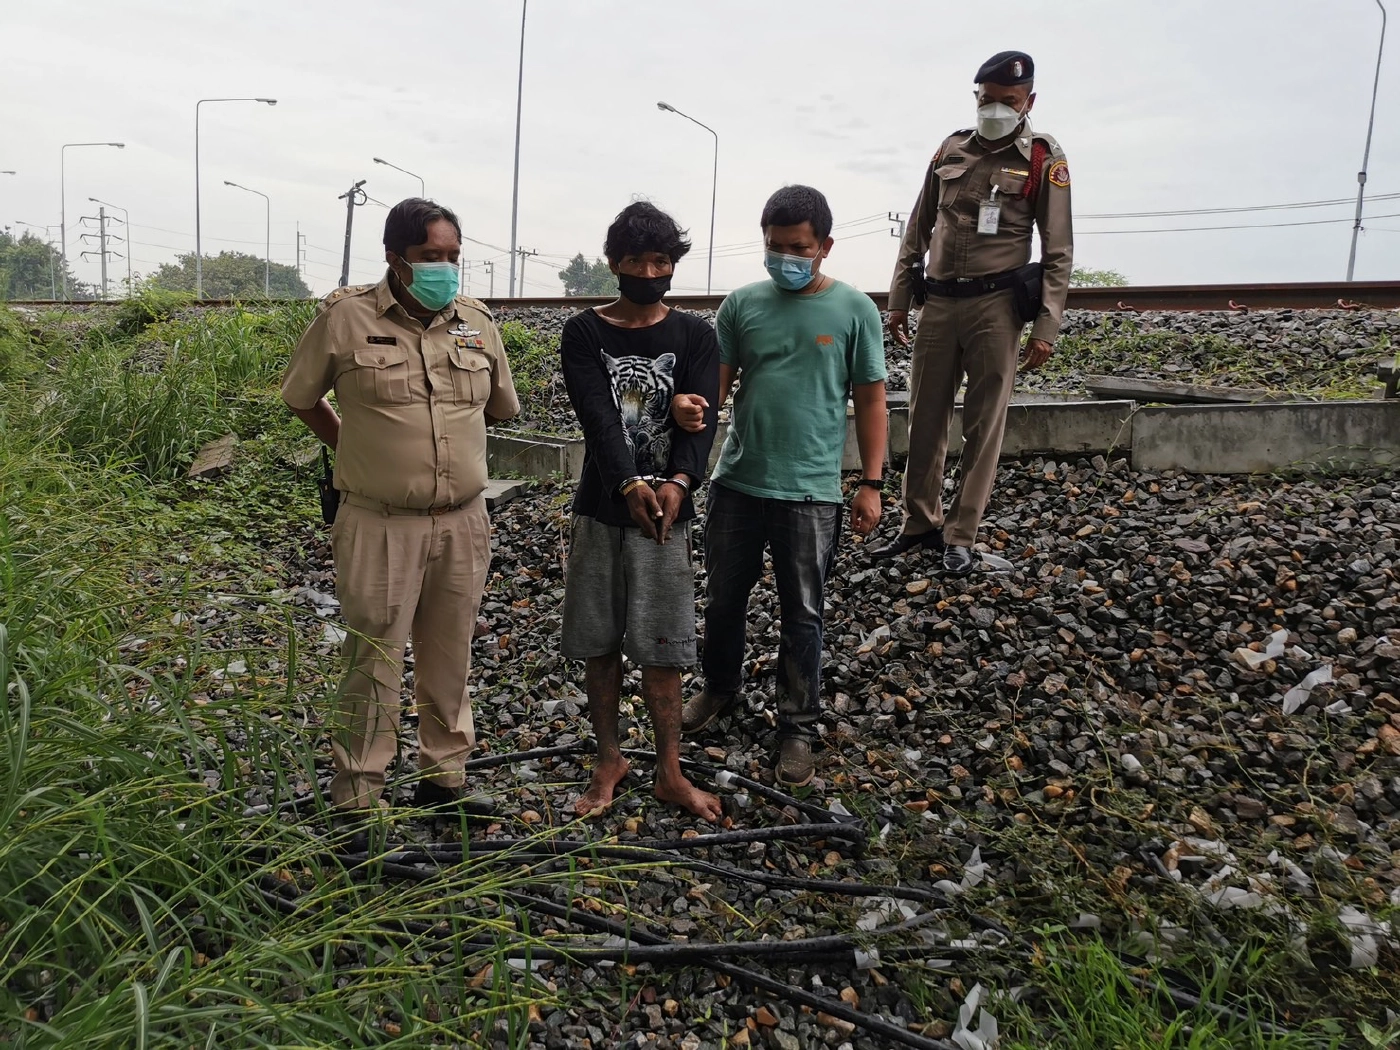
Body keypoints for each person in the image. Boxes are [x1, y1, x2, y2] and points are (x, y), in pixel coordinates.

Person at [281, 198, 520, 841]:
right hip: (379, 520)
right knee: (375, 657)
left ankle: (444, 780)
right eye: (431, 257)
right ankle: (358, 795)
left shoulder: (476, 324)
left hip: (463, 521)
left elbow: (501, 406)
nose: (445, 268)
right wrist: (354, 448)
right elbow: (300, 397)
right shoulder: (346, 318)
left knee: (450, 654)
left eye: (453, 257)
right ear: (395, 257)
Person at [671, 185, 887, 787]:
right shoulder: (741, 305)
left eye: (797, 247)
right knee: (722, 599)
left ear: (825, 247)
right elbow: (714, 386)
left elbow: (871, 398)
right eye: (774, 246)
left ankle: (796, 724)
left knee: (804, 613)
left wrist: (871, 482)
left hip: (813, 491)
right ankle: (720, 689)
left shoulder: (854, 310)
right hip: (738, 481)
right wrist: (692, 410)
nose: (784, 257)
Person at [871, 50, 1073, 575]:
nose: (996, 109)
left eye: (1008, 101)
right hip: (938, 303)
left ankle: (961, 534)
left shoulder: (1042, 160)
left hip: (996, 307)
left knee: (984, 426)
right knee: (923, 419)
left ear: (1029, 101)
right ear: (975, 96)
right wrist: (898, 300)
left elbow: (1058, 251)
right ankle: (919, 524)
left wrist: (1046, 326)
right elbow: (916, 229)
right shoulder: (950, 147)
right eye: (987, 99)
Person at [560, 201, 723, 822]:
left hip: (668, 519)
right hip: (603, 509)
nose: (650, 270)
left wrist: (681, 481)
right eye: (637, 260)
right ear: (614, 264)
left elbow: (703, 421)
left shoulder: (694, 336)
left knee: (664, 642)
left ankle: (670, 770)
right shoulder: (584, 333)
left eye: (661, 260)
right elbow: (598, 419)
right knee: (598, 640)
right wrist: (629, 484)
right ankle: (609, 757)